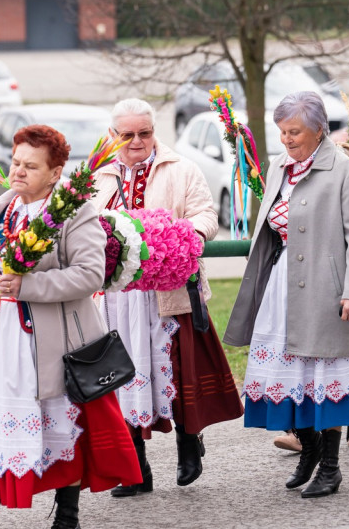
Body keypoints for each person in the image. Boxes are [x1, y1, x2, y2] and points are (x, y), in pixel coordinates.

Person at [0, 125, 140, 529]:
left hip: (51, 343)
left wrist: (28, 285)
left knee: (59, 430)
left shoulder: (75, 211)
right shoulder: (2, 207)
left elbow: (89, 274)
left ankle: (67, 521)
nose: (18, 172)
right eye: (16, 163)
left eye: (31, 166)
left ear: (55, 173)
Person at [224, 91, 349, 497]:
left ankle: (330, 467)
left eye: (294, 131)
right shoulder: (280, 166)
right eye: (282, 131)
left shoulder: (344, 170)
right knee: (290, 376)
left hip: (327, 290)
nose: (286, 139)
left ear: (318, 130)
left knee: (325, 378)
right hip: (282, 286)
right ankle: (308, 450)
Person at [91, 99, 242, 496]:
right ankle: (136, 468)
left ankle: (188, 443)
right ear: (112, 135)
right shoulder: (97, 176)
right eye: (127, 134)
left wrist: (178, 237)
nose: (137, 141)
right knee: (121, 377)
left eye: (145, 132)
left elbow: (206, 216)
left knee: (175, 372)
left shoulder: (182, 168)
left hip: (168, 291)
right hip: (116, 298)